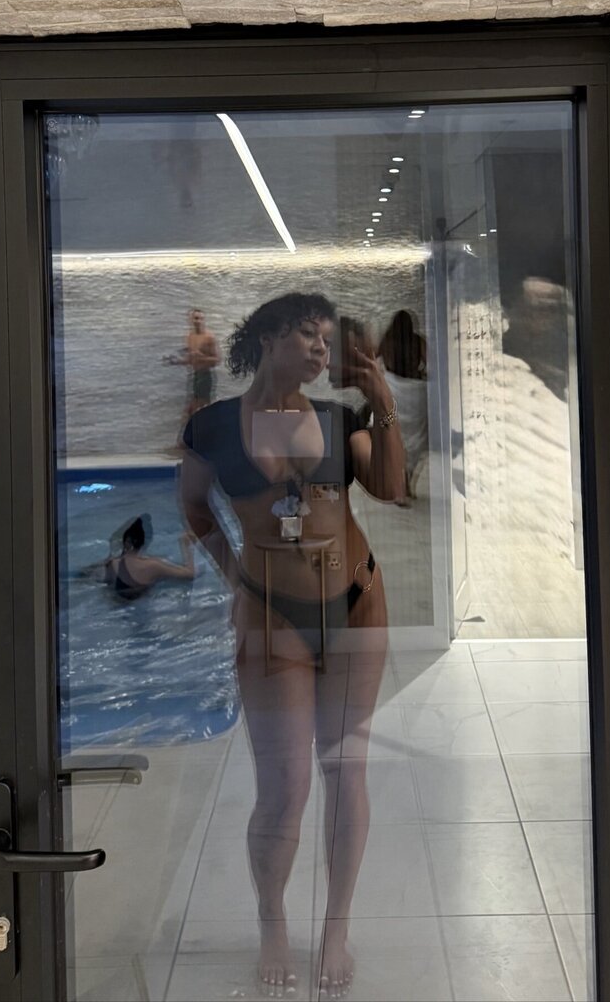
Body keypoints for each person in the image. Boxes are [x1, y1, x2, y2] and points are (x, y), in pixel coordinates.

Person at [180, 293, 405, 998]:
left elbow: (391, 486)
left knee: (346, 771)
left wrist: (381, 400)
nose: (320, 349)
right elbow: (194, 508)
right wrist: (236, 581)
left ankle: (336, 926)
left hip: (356, 605)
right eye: (308, 334)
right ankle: (272, 920)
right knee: (284, 790)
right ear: (271, 336)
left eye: (325, 340)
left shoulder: (337, 420)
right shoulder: (213, 427)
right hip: (272, 615)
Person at [377, 309, 428, 505]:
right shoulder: (418, 341)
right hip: (415, 393)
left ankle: (397, 486)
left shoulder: (387, 340)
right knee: (415, 441)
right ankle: (405, 485)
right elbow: (431, 363)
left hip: (392, 390)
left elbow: (373, 358)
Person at [98, 515, 197, 600]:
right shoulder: (153, 566)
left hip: (116, 604)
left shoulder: (113, 564)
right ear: (145, 542)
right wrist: (185, 544)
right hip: (142, 607)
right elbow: (190, 575)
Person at [164, 308, 220, 417]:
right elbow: (191, 360)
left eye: (200, 319)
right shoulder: (190, 337)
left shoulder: (209, 337)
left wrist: (201, 357)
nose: (198, 321)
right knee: (190, 409)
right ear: (190, 320)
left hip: (206, 375)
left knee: (201, 409)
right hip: (194, 375)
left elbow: (216, 360)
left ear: (204, 320)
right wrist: (176, 362)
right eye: (195, 318)